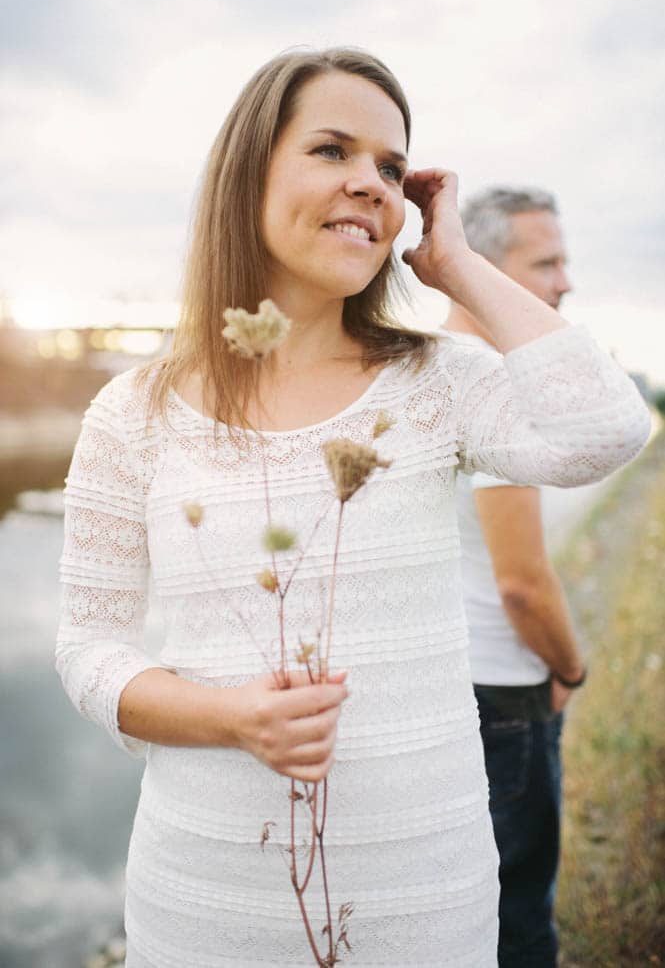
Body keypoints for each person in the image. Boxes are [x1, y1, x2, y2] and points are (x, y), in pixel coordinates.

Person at [56, 50, 650, 968]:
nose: (369, 183)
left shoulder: (437, 380)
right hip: (206, 890)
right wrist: (229, 718)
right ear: (248, 173)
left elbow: (606, 430)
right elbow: (88, 649)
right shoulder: (133, 413)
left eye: (389, 166)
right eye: (332, 149)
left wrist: (458, 265)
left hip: (422, 887)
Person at [446, 186, 589, 967]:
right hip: (504, 692)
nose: (564, 281)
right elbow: (522, 585)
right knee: (517, 914)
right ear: (481, 268)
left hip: (446, 681)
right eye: (546, 261)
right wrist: (569, 665)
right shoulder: (496, 383)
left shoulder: (427, 366)